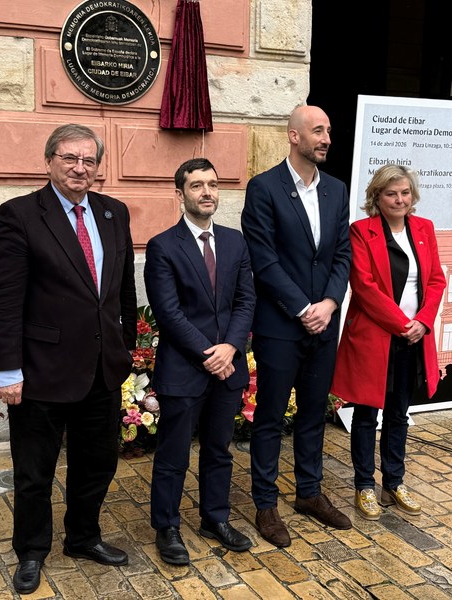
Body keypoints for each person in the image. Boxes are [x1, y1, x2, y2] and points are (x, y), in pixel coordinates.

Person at [0, 124, 137, 594]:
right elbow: (2, 301)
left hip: (101, 369)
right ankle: (31, 551)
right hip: (41, 373)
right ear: (49, 161)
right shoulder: (20, 215)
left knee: (98, 463)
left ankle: (83, 536)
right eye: (70, 158)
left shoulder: (114, 213)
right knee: (35, 473)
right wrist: (7, 372)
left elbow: (123, 288)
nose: (79, 168)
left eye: (89, 161)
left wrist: (126, 344)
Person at [241, 104, 352, 547]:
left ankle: (308, 492)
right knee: (269, 417)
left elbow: (342, 253)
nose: (325, 138)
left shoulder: (337, 190)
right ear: (293, 136)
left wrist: (328, 303)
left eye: (328, 131)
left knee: (312, 414)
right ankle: (265, 504)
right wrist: (303, 307)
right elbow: (263, 260)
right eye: (317, 131)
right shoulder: (264, 188)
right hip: (281, 326)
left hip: (324, 323)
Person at [144, 158, 256, 564]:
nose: (206, 191)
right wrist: (211, 355)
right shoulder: (162, 246)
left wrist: (231, 347)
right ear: (180, 194)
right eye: (196, 185)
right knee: (174, 455)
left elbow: (246, 300)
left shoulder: (235, 242)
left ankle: (214, 517)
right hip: (185, 369)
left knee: (218, 450)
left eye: (212, 184)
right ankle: (167, 526)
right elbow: (169, 313)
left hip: (227, 366)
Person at [331, 164, 446, 520]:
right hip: (375, 338)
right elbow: (364, 287)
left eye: (405, 193)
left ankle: (394, 482)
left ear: (413, 197)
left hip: (414, 339)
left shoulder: (424, 229)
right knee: (367, 414)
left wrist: (422, 322)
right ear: (376, 198)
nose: (399, 199)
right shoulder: (362, 232)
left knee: (399, 413)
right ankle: (364, 485)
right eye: (391, 193)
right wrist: (402, 324)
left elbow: (437, 280)